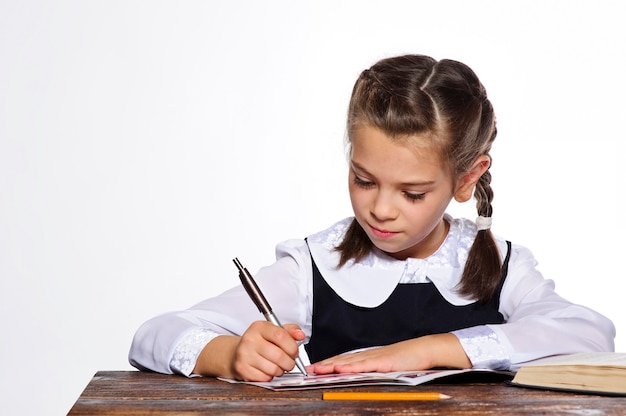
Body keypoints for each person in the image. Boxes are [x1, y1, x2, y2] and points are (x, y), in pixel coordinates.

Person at [129, 54, 615, 381]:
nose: (380, 208)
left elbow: (591, 333)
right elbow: (155, 334)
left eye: (413, 192)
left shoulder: (499, 266)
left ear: (467, 179)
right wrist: (231, 356)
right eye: (364, 180)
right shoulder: (313, 267)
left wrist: (426, 350)